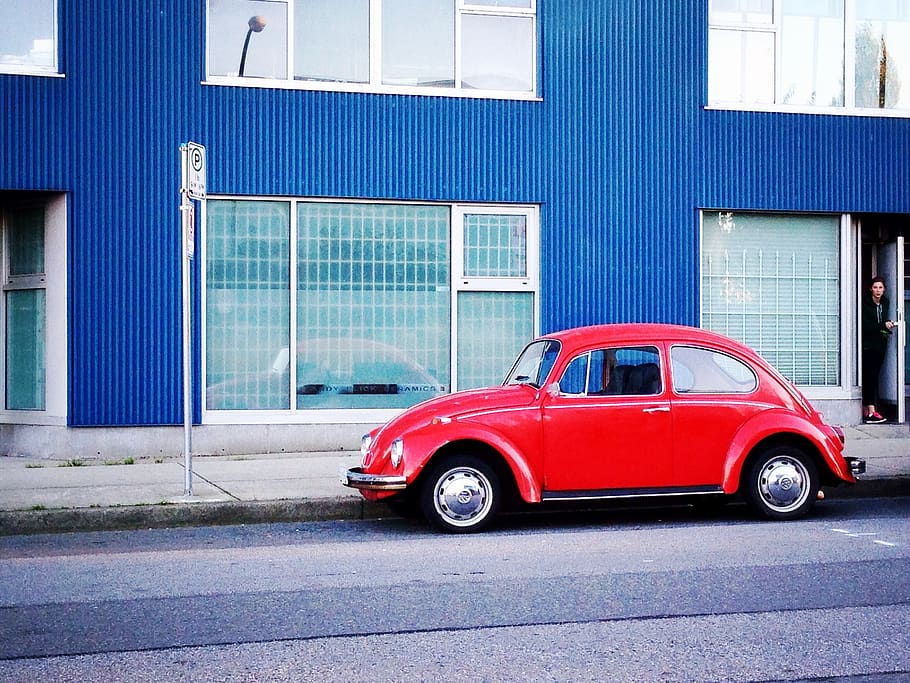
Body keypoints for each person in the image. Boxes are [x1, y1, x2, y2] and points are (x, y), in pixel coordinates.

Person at [861, 276, 895, 423]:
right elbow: (866, 326)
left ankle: (868, 409)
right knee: (870, 377)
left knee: (874, 377)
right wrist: (883, 326)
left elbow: (882, 322)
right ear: (870, 289)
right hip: (868, 345)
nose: (878, 291)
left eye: (880, 288)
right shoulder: (865, 303)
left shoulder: (885, 303)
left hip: (880, 345)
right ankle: (871, 411)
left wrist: (886, 326)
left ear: (884, 289)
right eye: (875, 287)